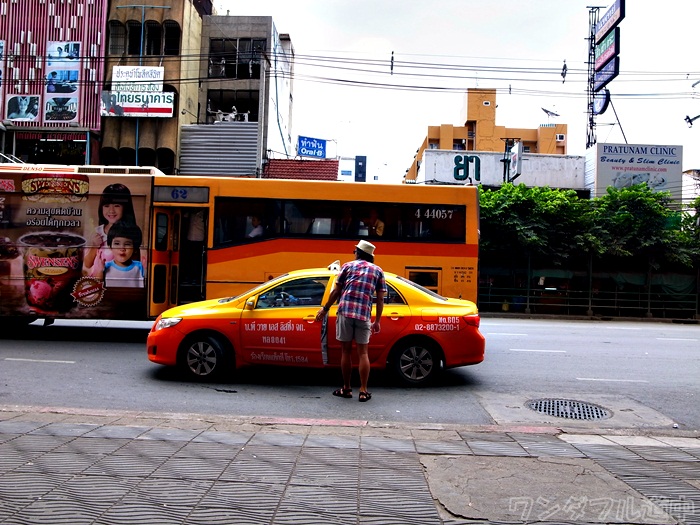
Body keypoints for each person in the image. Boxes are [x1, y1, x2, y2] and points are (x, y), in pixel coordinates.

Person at [316, 240, 386, 402]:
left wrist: (325, 308)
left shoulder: (347, 266)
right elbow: (380, 299)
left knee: (346, 351)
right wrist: (377, 321)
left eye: (355, 251)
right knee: (363, 353)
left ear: (358, 253)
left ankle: (346, 388)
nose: (353, 253)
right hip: (363, 315)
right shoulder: (378, 271)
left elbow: (336, 291)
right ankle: (363, 390)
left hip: (345, 312)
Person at [84, 183, 137, 273]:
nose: (111, 210)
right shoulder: (97, 232)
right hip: (98, 283)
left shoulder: (131, 232)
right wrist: (94, 246)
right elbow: (88, 264)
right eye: (106, 206)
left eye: (117, 205)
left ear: (125, 208)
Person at [92, 221, 144, 288]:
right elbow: (96, 290)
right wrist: (100, 271)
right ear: (110, 246)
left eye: (127, 244)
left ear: (135, 248)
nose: (122, 248)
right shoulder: (106, 267)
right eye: (117, 244)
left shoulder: (140, 267)